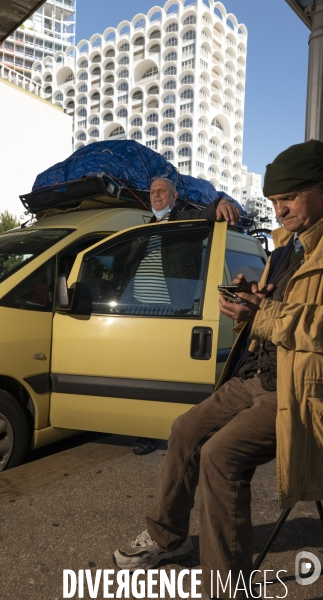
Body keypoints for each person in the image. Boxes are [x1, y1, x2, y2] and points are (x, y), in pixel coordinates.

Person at [115, 139, 323, 600]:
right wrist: (255, 297)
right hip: (259, 372)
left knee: (221, 456)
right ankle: (168, 539)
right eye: (273, 201)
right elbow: (283, 306)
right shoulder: (288, 244)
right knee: (186, 429)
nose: (280, 209)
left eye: (289, 197)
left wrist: (261, 315)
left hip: (298, 391)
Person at [132, 177, 240, 456]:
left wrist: (222, 202)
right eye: (152, 191)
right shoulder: (143, 229)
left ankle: (164, 433)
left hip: (172, 314)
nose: (156, 195)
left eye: (162, 191)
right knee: (143, 374)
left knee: (165, 377)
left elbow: (209, 212)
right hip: (139, 312)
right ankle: (148, 428)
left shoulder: (186, 221)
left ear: (174, 195)